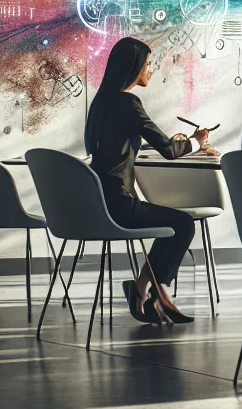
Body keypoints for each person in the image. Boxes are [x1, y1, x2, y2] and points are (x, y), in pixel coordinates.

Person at [83, 36, 217, 326]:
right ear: (133, 68)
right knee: (183, 223)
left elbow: (110, 146)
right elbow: (169, 150)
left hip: (98, 202)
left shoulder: (100, 102)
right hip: (119, 204)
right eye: (147, 64)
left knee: (170, 223)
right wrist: (197, 141)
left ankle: (144, 288)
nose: (151, 70)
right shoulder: (128, 102)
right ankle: (158, 291)